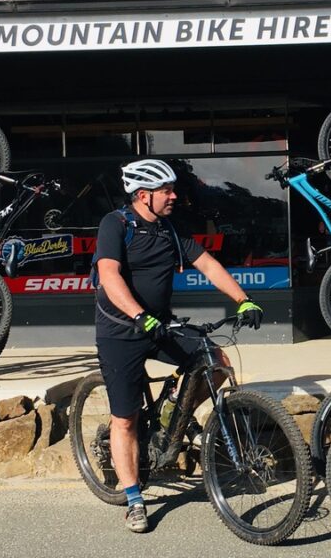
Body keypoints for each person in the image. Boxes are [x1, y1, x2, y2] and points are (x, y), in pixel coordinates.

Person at [92, 158, 264, 534]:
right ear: (143, 195)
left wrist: (243, 299)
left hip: (159, 324)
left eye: (172, 189)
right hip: (121, 330)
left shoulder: (169, 229)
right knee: (125, 418)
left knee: (215, 361)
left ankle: (172, 418)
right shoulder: (116, 225)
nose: (173, 196)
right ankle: (135, 499)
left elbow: (207, 264)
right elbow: (109, 275)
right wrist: (138, 314)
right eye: (166, 191)